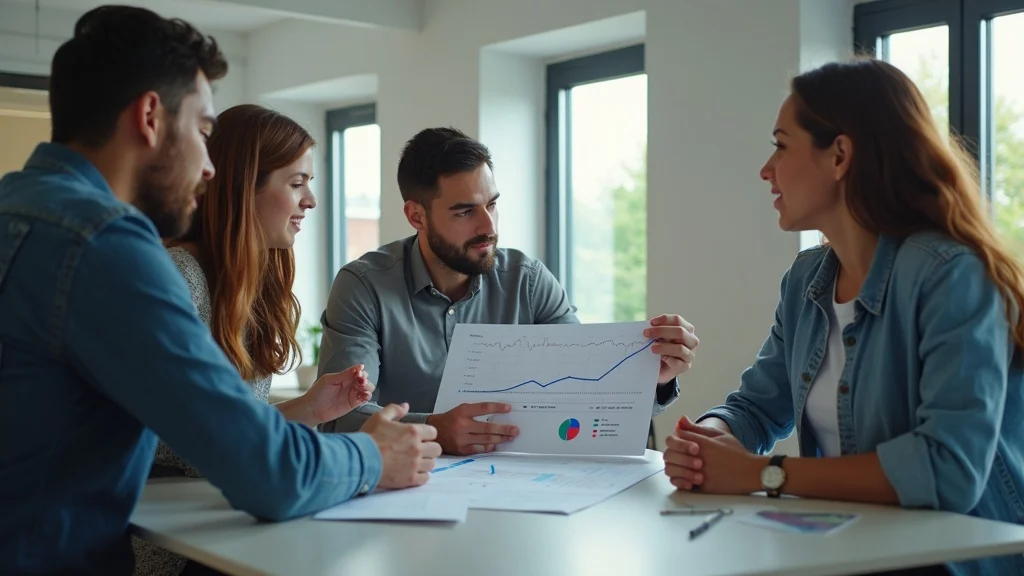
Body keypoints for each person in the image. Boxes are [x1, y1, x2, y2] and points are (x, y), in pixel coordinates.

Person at [0, 7, 439, 575]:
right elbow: (265, 473)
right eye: (204, 132)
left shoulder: (20, 211)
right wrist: (373, 456)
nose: (210, 167)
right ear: (151, 117)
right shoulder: (106, 245)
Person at [663, 59, 1024, 576]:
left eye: (781, 144)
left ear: (839, 155)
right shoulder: (806, 280)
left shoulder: (951, 277)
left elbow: (948, 470)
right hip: (852, 554)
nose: (766, 169)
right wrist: (704, 440)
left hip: (960, 564)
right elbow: (759, 409)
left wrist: (762, 474)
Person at [318, 127, 700, 455]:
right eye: (465, 212)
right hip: (400, 493)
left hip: (519, 488)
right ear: (416, 215)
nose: (488, 226)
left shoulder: (529, 281)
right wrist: (434, 428)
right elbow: (338, 417)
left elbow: (586, 395)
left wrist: (654, 376)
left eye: (493, 204)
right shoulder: (364, 286)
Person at [132, 104, 380, 575]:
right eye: (296, 182)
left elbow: (229, 426)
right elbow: (206, 443)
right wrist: (367, 457)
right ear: (243, 188)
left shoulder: (249, 283)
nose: (311, 201)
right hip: (176, 547)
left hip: (223, 522)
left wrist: (309, 408)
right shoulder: (179, 277)